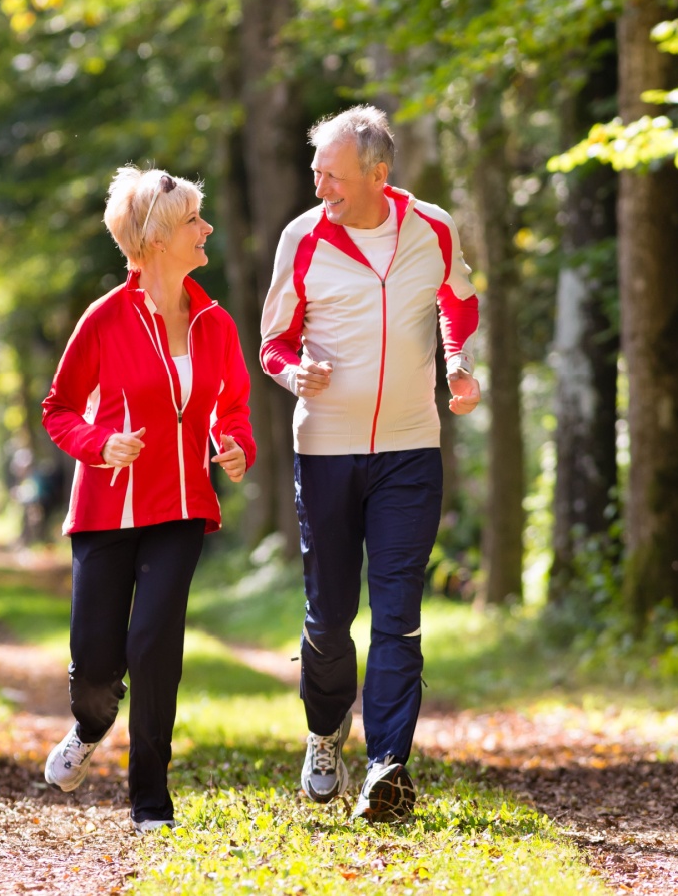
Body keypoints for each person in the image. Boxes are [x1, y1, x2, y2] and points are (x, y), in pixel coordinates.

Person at [260, 105, 481, 823]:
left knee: (399, 614)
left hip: (411, 449)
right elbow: (273, 344)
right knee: (329, 619)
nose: (320, 184)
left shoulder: (432, 227)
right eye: (316, 171)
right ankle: (326, 734)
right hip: (325, 449)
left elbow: (459, 300)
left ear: (377, 175)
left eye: (333, 174)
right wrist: (296, 374)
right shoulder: (302, 238)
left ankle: (388, 765)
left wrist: (459, 361)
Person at [41, 167, 256, 833]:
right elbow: (59, 409)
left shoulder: (214, 322)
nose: (207, 229)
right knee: (98, 673)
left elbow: (233, 407)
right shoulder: (104, 319)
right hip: (106, 512)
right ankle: (88, 726)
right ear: (158, 238)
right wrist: (99, 444)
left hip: (183, 506)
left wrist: (234, 445)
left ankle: (150, 804)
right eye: (194, 220)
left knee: (154, 645)